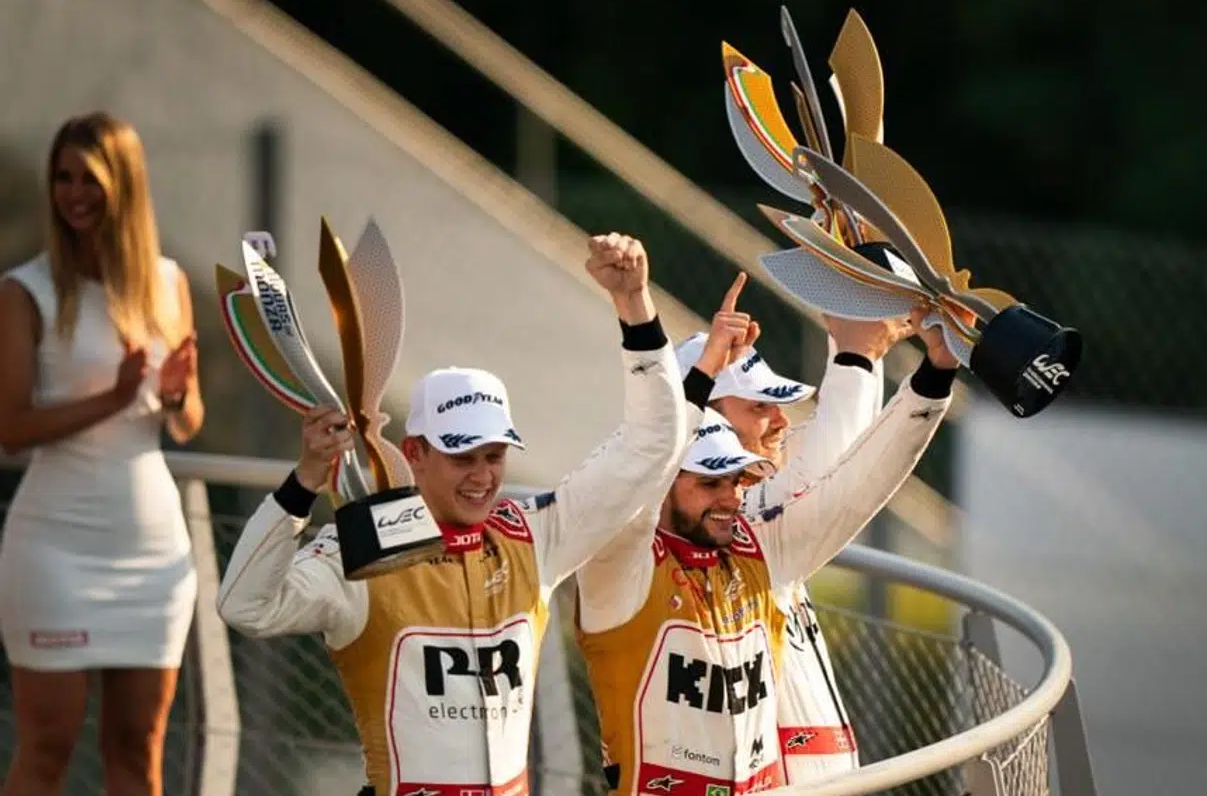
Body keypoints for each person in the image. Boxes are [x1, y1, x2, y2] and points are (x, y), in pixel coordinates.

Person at [215, 233, 746, 796]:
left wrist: (634, 305)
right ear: (415, 453)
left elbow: (652, 445)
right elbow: (246, 606)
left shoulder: (536, 536)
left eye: (493, 456)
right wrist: (302, 485)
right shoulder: (362, 549)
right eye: (461, 456)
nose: (482, 475)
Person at [574, 304, 957, 796]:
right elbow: (827, 465)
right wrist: (856, 354)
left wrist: (932, 374)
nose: (732, 496)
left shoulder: (756, 540)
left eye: (736, 478)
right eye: (711, 480)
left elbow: (858, 477)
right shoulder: (627, 554)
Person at [0, 112, 205, 796]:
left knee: (138, 751)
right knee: (47, 747)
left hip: (150, 552)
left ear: (126, 185)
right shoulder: (23, 291)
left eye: (90, 178)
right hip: (52, 548)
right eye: (62, 177)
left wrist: (173, 396)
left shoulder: (169, 283)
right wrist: (113, 399)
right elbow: (11, 428)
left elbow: (187, 423)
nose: (73, 193)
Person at [671, 310, 911, 783]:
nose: (781, 421)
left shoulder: (756, 494)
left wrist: (860, 344)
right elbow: (825, 468)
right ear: (703, 424)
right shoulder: (727, 522)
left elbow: (843, 451)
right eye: (759, 408)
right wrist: (855, 353)